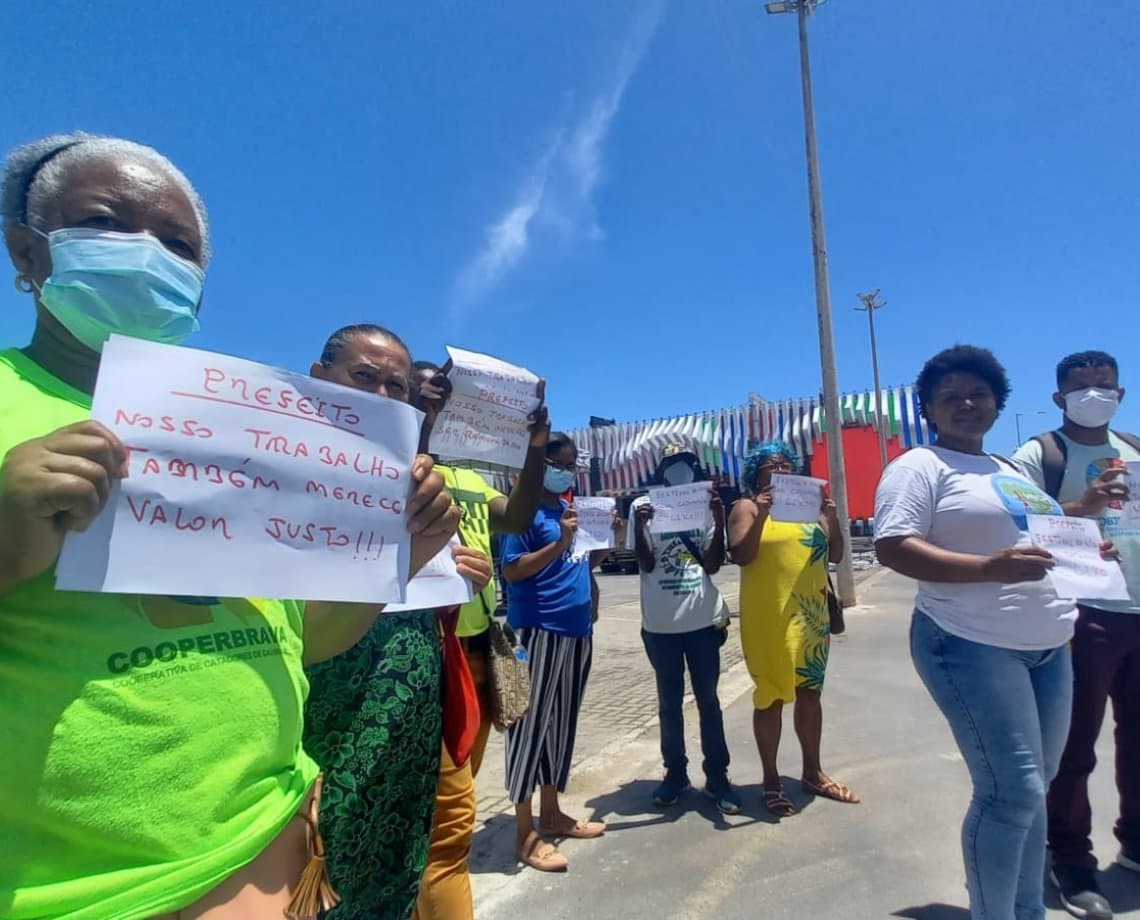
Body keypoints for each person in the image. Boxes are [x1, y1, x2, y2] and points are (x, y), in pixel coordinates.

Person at [0, 133, 458, 919]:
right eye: (107, 222)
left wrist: (401, 554)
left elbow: (301, 638)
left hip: (276, 847)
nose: (145, 253)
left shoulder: (237, 426)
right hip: (87, 890)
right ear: (27, 250)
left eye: (176, 243)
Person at [874, 344, 1109, 920]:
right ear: (929, 408)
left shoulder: (1005, 469)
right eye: (950, 396)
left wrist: (1082, 528)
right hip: (969, 642)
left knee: (1034, 791)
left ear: (997, 403)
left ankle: (1026, 910)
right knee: (1011, 793)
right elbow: (893, 545)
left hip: (1048, 647)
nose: (967, 404)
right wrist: (989, 570)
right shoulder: (918, 467)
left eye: (978, 394)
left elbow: (1043, 532)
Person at [303, 326, 492, 920]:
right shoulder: (285, 471)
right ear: (319, 376)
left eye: (397, 385)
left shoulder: (419, 477)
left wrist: (466, 575)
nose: (383, 394)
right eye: (365, 377)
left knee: (421, 848)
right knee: (330, 862)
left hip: (414, 701)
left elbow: (431, 584)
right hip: (327, 706)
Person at [409, 359, 550, 920]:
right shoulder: (391, 465)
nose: (434, 400)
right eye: (424, 391)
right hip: (422, 654)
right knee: (442, 817)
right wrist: (425, 419)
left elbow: (515, 517)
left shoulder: (468, 479)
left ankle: (433, 888)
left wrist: (535, 446)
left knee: (457, 794)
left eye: (440, 393)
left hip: (476, 652)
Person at [1013, 350, 1140, 920]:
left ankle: (1134, 843)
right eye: (1082, 386)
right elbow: (1016, 519)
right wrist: (1080, 508)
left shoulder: (1134, 449)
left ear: (1121, 392)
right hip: (1081, 613)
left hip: (1138, 610)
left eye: (1105, 385)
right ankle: (1071, 857)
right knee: (1074, 747)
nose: (1096, 393)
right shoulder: (1040, 453)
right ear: (1059, 396)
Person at [728, 440, 856, 818]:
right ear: (756, 472)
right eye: (771, 464)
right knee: (771, 696)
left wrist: (830, 520)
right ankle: (770, 779)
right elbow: (740, 554)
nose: (780, 469)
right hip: (770, 618)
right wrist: (763, 515)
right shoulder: (747, 507)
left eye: (786, 463)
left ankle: (813, 772)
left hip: (811, 618)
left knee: (810, 695)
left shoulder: (807, 510)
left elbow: (835, 555)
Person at [501, 432, 610, 872]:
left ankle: (552, 811)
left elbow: (584, 562)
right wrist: (560, 542)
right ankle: (524, 830)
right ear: (539, 464)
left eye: (570, 463)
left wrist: (602, 539)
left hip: (576, 631)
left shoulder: (567, 510)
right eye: (559, 462)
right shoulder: (522, 511)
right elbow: (511, 569)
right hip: (537, 632)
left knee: (560, 724)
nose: (566, 470)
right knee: (527, 728)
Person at [628, 444, 741, 814]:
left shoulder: (704, 506)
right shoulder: (640, 507)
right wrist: (642, 526)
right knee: (669, 704)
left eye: (687, 464)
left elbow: (711, 565)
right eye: (672, 465)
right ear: (661, 471)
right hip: (660, 627)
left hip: (702, 624)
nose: (680, 470)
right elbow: (644, 563)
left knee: (709, 701)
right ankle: (675, 774)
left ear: (695, 469)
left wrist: (719, 518)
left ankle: (718, 776)